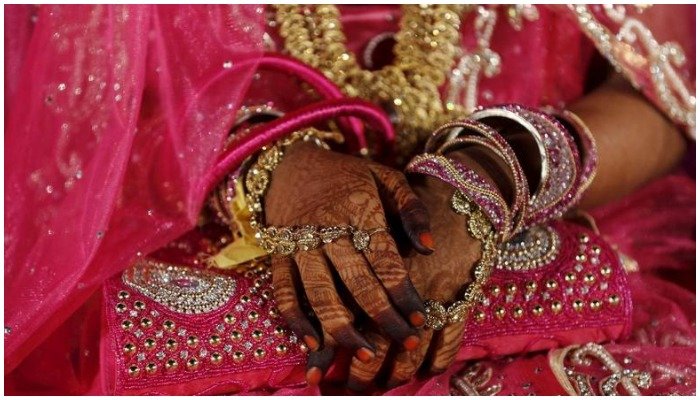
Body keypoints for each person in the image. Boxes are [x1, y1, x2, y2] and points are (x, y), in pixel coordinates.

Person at [5, 4, 695, 395]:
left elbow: (660, 97)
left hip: (544, 237)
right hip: (198, 248)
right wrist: (265, 169)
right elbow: (72, 106)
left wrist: (497, 169)